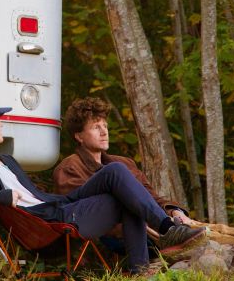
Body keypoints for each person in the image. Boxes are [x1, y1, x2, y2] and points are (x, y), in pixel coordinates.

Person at [0, 96, 207, 275]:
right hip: (51, 224)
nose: (3, 121)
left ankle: (153, 247)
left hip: (58, 207)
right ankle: (156, 245)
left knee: (116, 170)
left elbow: (37, 196)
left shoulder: (7, 160)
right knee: (120, 187)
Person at [53, 97, 200, 233]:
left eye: (105, 126)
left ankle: (174, 229)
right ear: (79, 136)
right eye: (96, 127)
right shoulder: (69, 168)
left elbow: (152, 199)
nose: (104, 132)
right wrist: (150, 229)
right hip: (121, 235)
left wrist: (175, 211)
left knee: (210, 235)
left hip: (156, 227)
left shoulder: (124, 163)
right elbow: (87, 217)